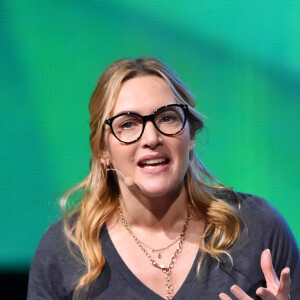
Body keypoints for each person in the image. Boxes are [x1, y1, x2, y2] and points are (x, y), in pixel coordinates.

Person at [27, 58, 300, 300]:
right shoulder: (64, 251)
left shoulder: (257, 227)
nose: (151, 138)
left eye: (167, 118)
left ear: (190, 135)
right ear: (102, 150)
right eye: (128, 124)